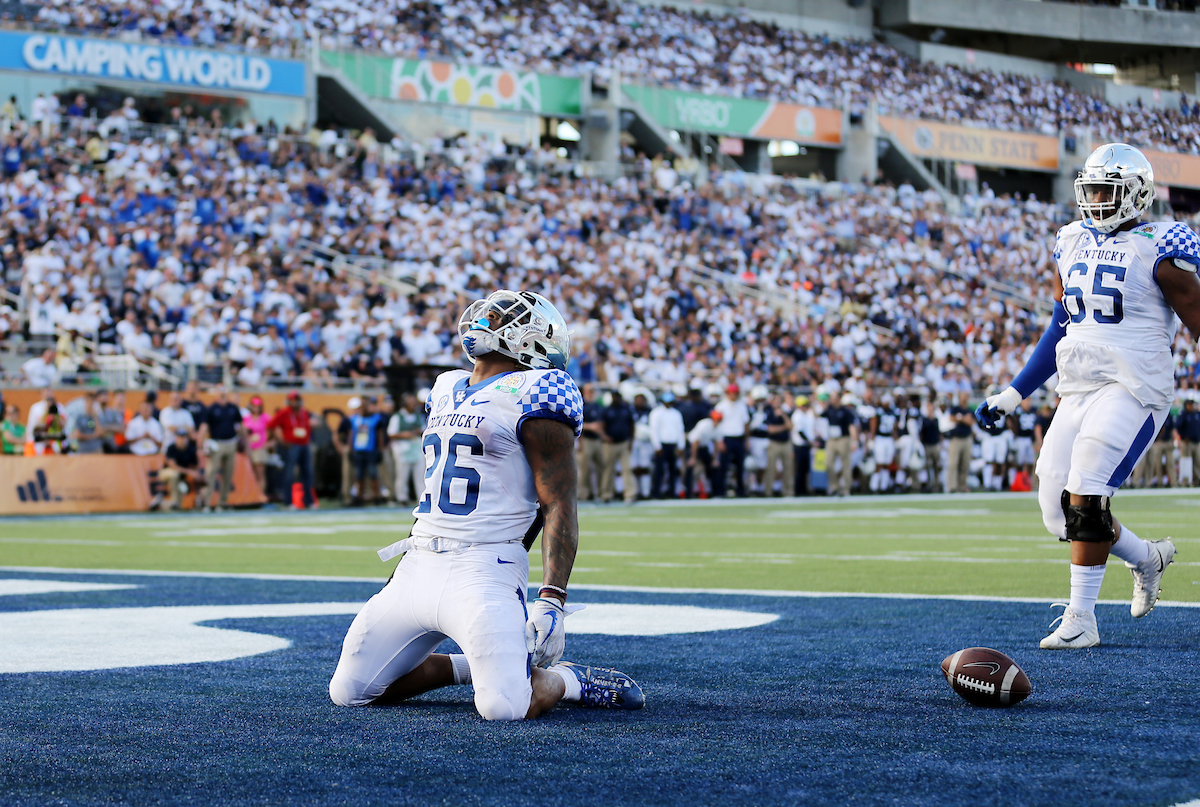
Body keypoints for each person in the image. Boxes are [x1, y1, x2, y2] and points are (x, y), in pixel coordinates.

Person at [329, 290, 644, 719]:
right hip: (418, 562)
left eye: (500, 316)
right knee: (350, 691)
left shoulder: (537, 390)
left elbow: (558, 503)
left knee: (503, 707)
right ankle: (475, 668)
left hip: (485, 566)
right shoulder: (445, 387)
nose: (487, 319)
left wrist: (552, 599)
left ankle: (568, 680)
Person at [975, 143, 1200, 649]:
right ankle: (1147, 556)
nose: (1097, 199)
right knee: (1058, 510)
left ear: (1137, 193)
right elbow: (1062, 322)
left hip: (1135, 382)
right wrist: (1013, 394)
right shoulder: (1071, 240)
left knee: (1087, 485)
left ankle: (1081, 618)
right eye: (1092, 189)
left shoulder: (1162, 244)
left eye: (1108, 190)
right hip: (1079, 382)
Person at [268, 391, 316, 509]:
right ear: (289, 401)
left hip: (304, 445)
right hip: (291, 446)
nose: (296, 402)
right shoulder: (284, 412)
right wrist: (280, 439)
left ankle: (308, 502)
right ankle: (288, 502)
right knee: (289, 474)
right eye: (293, 400)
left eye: (297, 400)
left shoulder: (304, 412)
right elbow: (271, 425)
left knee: (307, 473)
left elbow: (313, 423)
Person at [200, 386, 243, 510]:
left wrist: (243, 441)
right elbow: (204, 428)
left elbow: (240, 426)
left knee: (228, 474)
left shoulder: (233, 408)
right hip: (216, 444)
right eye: (220, 392)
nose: (223, 394)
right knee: (211, 473)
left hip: (231, 443)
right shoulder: (211, 409)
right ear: (217, 394)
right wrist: (201, 445)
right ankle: (207, 503)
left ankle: (222, 502)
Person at [386, 392, 426, 504]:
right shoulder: (397, 417)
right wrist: (404, 434)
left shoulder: (419, 416)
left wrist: (418, 432)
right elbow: (391, 433)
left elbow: (425, 429)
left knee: (420, 474)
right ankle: (402, 497)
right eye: (410, 402)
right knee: (402, 475)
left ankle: (421, 497)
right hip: (402, 448)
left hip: (417, 448)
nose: (413, 405)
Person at [598, 389, 636, 503]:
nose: (617, 398)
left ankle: (630, 494)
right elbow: (601, 425)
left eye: (618, 396)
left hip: (624, 443)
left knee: (627, 468)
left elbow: (632, 425)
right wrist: (605, 437)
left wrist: (631, 441)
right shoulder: (607, 410)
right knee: (608, 470)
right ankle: (606, 494)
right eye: (615, 396)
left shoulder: (626, 409)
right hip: (610, 444)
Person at [713, 384, 751, 497]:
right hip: (726, 438)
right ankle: (720, 491)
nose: (734, 395)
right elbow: (717, 425)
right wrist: (719, 441)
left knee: (740, 466)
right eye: (732, 393)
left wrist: (746, 439)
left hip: (739, 438)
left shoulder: (742, 406)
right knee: (723, 466)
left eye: (736, 393)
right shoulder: (721, 406)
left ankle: (740, 490)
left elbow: (745, 423)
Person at [348, 396, 385, 504]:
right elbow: (352, 434)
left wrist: (380, 449)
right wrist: (350, 449)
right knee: (359, 475)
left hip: (371, 450)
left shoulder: (376, 418)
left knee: (373, 474)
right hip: (359, 450)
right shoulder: (355, 419)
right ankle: (359, 496)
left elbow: (380, 435)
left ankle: (376, 496)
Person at [648, 390, 685, 499]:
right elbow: (654, 430)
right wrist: (657, 446)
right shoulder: (656, 413)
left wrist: (681, 446)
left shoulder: (676, 413)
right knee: (659, 470)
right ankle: (656, 493)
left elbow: (680, 430)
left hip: (673, 444)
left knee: (673, 470)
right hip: (662, 445)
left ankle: (672, 492)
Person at [159, 429, 205, 510]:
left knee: (200, 479)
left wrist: (195, 474)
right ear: (176, 438)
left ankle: (200, 502)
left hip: (182, 474)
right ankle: (173, 502)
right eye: (180, 437)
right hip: (167, 472)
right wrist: (189, 472)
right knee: (174, 475)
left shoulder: (191, 449)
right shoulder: (171, 448)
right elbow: (173, 466)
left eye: (184, 437)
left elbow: (195, 465)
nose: (182, 440)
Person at [575, 383, 605, 501]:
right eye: (589, 390)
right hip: (585, 439)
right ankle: (583, 494)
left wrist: (603, 436)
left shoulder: (597, 405)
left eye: (593, 390)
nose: (591, 392)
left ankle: (600, 493)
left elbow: (601, 423)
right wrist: (589, 427)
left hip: (597, 439)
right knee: (584, 469)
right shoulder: (581, 404)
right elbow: (576, 422)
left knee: (601, 467)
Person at [762, 393, 794, 497]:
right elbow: (771, 430)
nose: (778, 403)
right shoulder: (769, 412)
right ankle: (768, 491)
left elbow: (790, 426)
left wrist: (783, 416)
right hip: (774, 443)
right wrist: (784, 427)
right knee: (771, 468)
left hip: (786, 443)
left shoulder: (785, 412)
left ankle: (788, 491)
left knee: (788, 468)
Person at [945, 392, 974, 493]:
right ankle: (952, 486)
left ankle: (962, 486)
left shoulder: (969, 410)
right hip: (956, 439)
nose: (965, 398)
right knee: (953, 463)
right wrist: (963, 419)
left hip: (966, 438)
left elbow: (972, 422)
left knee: (965, 464)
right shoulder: (955, 408)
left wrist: (961, 419)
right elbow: (951, 418)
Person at [243, 396, 272, 493]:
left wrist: (269, 443)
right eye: (254, 406)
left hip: (260, 448)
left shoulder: (265, 417)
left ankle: (261, 494)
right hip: (250, 448)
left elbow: (273, 429)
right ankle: (254, 495)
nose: (256, 408)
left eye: (258, 406)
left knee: (260, 473)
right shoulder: (247, 418)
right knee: (252, 474)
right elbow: (244, 433)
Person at [1178, 398, 1200, 486]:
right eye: (1189, 405)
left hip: (1197, 442)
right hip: (1188, 442)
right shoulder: (1183, 415)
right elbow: (1178, 426)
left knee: (1197, 462)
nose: (1191, 406)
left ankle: (1197, 480)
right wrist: (1184, 437)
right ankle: (1185, 481)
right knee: (1186, 462)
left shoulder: (1197, 414)